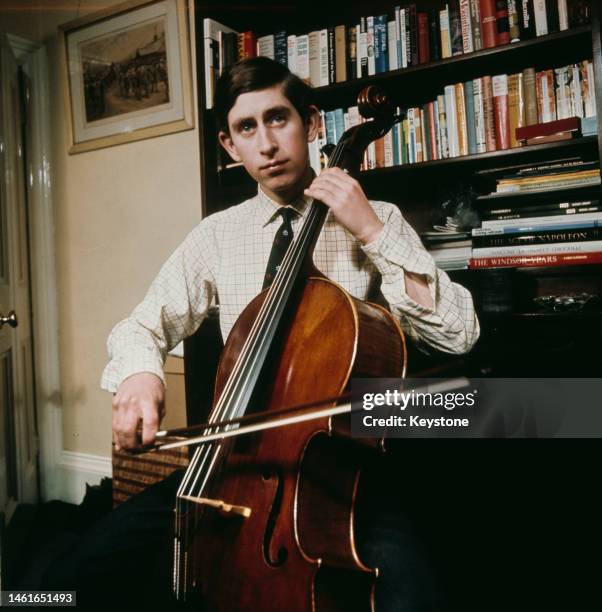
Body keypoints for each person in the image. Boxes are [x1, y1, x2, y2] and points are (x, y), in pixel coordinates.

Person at [41, 56, 480, 611]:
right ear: (230, 146)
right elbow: (143, 321)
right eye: (247, 128)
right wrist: (138, 373)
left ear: (313, 123)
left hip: (344, 475)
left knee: (414, 595)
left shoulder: (379, 217)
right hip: (232, 465)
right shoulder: (217, 236)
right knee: (76, 573)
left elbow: (459, 334)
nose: (267, 143)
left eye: (279, 118)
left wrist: (369, 229)